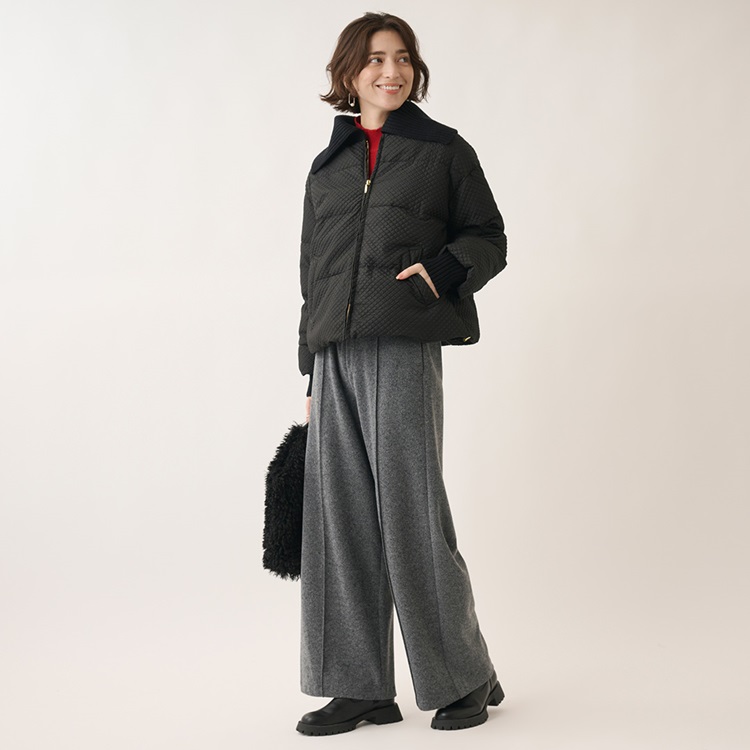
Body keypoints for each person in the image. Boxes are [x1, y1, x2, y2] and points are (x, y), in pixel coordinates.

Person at [294, 12, 507, 735]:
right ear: (349, 72)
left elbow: (488, 237)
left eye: (404, 58)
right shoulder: (328, 167)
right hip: (334, 354)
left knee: (411, 515)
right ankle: (358, 687)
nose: (393, 71)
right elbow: (311, 274)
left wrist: (441, 272)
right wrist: (310, 369)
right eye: (377, 59)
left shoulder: (444, 151)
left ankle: (463, 676)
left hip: (403, 342)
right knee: (339, 522)